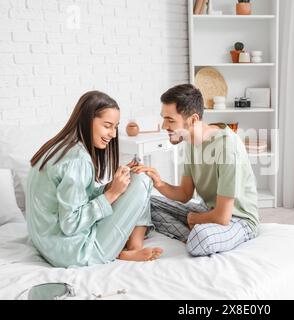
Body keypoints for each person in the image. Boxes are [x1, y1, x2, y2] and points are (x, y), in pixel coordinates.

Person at [26, 91, 162, 268]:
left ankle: (128, 246)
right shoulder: (78, 160)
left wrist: (111, 186)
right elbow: (71, 224)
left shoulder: (57, 147)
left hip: (48, 245)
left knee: (133, 176)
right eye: (107, 125)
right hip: (76, 252)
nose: (113, 134)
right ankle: (132, 246)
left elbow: (74, 199)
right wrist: (112, 193)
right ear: (87, 119)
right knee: (143, 178)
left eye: (115, 127)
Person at [132, 84, 259, 256]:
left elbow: (222, 217)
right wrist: (159, 183)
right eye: (164, 119)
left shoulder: (228, 146)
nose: (164, 126)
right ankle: (190, 235)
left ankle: (194, 235)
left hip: (238, 220)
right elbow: (185, 194)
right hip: (208, 211)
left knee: (201, 237)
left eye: (170, 120)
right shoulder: (192, 143)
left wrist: (196, 219)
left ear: (192, 120)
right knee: (147, 204)